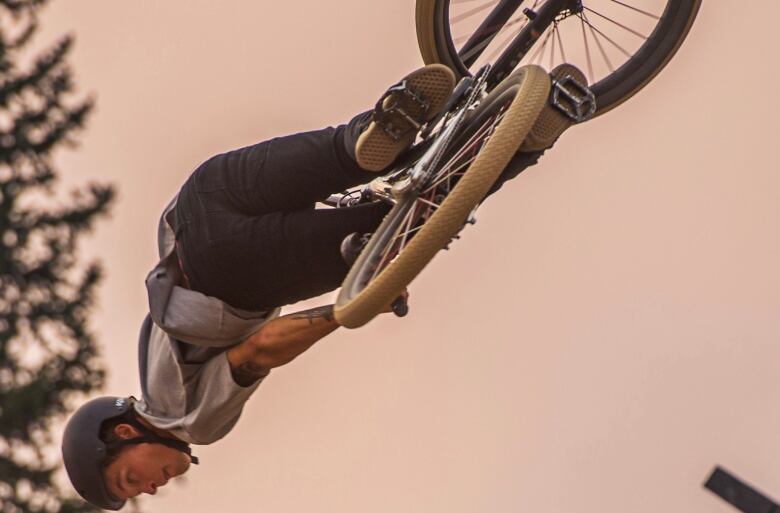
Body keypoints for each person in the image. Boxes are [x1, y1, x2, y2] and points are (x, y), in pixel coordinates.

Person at [61, 63, 585, 510]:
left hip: (238, 273)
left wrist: (352, 307)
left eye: (131, 481)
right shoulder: (150, 357)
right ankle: (375, 134)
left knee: (408, 221)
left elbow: (260, 349)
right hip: (197, 203)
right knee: (350, 154)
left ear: (125, 434)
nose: (150, 490)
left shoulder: (190, 420)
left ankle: (532, 131)